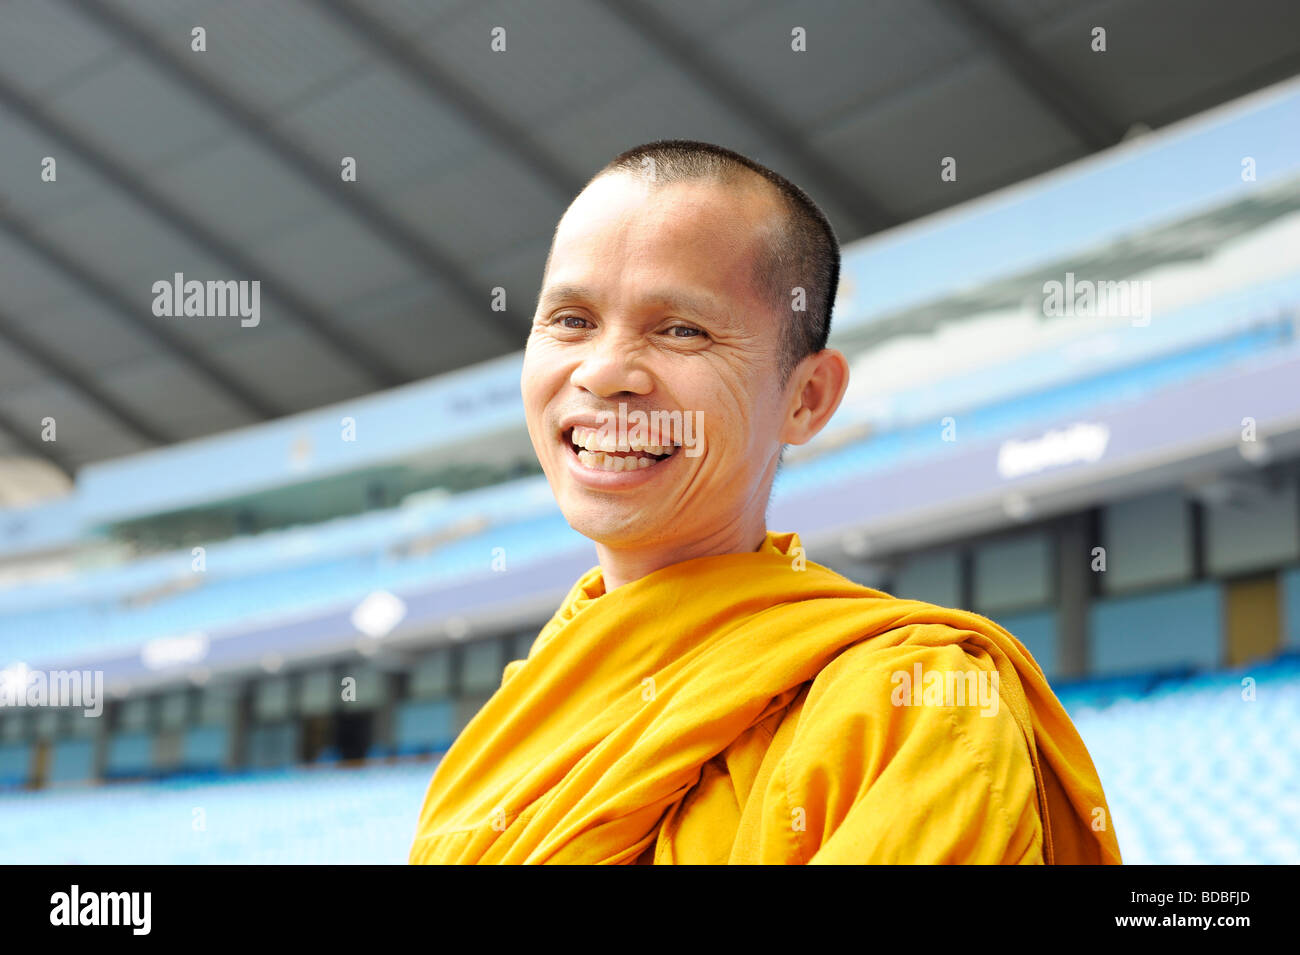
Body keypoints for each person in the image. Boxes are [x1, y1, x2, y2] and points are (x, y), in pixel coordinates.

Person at [409, 140, 1121, 865]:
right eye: (571, 320)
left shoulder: (909, 705)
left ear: (807, 398)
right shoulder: (517, 716)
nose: (604, 372)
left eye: (681, 329)